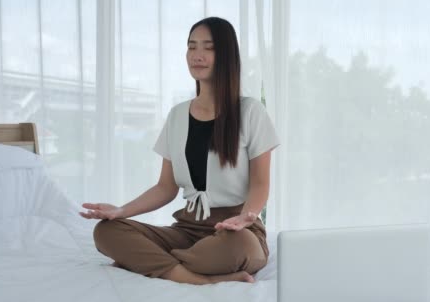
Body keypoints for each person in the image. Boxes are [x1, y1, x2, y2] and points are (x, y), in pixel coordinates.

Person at [79, 17, 280, 285]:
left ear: (226, 55)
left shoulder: (251, 111)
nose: (197, 55)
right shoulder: (177, 116)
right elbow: (165, 187)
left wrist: (247, 216)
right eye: (191, 46)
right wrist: (121, 211)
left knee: (236, 247)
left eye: (209, 47)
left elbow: (260, 183)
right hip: (188, 229)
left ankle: (149, 261)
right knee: (107, 232)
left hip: (236, 230)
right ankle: (195, 277)